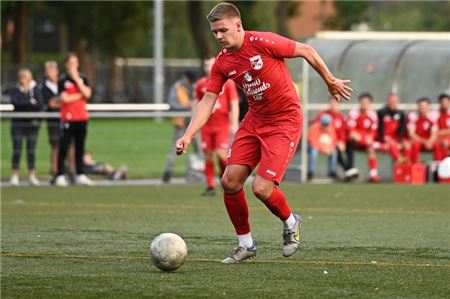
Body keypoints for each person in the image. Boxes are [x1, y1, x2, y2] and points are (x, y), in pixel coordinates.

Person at [175, 3, 352, 264]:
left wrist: (329, 79)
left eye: (223, 30)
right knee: (230, 181)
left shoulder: (264, 41)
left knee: (261, 188)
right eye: (214, 32)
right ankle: (246, 244)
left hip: (284, 122)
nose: (219, 37)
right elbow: (208, 100)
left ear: (238, 25)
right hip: (255, 121)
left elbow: (306, 50)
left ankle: (291, 222)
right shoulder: (223, 62)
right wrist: (188, 135)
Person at [195, 56, 240, 196]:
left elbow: (233, 103)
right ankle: (210, 186)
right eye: (206, 65)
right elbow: (197, 105)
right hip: (206, 126)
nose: (208, 67)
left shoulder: (228, 83)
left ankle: (225, 178)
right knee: (208, 155)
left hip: (222, 125)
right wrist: (194, 124)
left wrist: (234, 123)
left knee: (221, 155)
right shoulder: (200, 84)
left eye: (211, 64)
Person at [54, 53, 94, 186]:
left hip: (81, 117)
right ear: (66, 64)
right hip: (68, 118)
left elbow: (88, 94)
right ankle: (60, 174)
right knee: (64, 146)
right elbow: (64, 98)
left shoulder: (83, 78)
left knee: (80, 147)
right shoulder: (62, 80)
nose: (72, 65)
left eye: (75, 63)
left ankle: (80, 174)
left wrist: (77, 81)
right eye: (70, 63)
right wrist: (80, 95)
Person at [9, 68, 43, 186]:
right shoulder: (15, 89)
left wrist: (27, 102)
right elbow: (16, 103)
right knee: (17, 150)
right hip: (18, 124)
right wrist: (29, 102)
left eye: (25, 77)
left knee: (31, 150)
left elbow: (40, 104)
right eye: (21, 77)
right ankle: (14, 175)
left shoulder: (36, 89)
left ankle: (32, 175)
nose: (23, 79)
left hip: (32, 124)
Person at [162, 71, 197, 183]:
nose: (190, 83)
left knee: (200, 148)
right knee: (175, 148)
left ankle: (201, 172)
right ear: (184, 78)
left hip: (194, 123)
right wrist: (185, 107)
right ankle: (167, 174)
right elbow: (171, 103)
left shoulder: (196, 86)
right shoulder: (177, 87)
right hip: (181, 123)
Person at [313, 99, 358, 180]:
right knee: (336, 149)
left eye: (336, 104)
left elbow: (342, 131)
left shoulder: (340, 116)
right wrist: (335, 142)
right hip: (327, 141)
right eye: (332, 103)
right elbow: (316, 129)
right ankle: (347, 170)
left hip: (337, 141)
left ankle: (350, 169)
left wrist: (342, 141)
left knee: (350, 145)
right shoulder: (323, 115)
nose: (334, 105)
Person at [346, 93, 380, 182]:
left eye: (366, 102)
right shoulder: (353, 113)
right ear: (359, 103)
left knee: (371, 149)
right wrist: (362, 137)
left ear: (370, 103)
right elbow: (351, 131)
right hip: (355, 142)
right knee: (351, 139)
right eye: (362, 102)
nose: (364, 104)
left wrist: (369, 137)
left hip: (365, 142)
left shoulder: (373, 115)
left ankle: (373, 175)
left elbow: (373, 132)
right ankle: (350, 171)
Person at [375, 93, 408, 163]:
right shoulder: (380, 113)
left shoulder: (401, 114)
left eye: (395, 102)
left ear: (398, 103)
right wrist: (386, 140)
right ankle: (400, 161)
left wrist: (398, 140)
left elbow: (402, 131)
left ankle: (409, 165)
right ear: (388, 102)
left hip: (395, 140)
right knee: (392, 145)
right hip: (383, 141)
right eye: (391, 101)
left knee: (407, 145)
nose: (393, 103)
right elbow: (379, 130)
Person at [407, 97, 438, 163]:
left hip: (429, 141)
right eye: (421, 106)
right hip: (418, 140)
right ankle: (415, 165)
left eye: (425, 106)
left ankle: (439, 166)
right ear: (418, 107)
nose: (423, 109)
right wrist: (424, 141)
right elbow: (411, 134)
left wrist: (430, 141)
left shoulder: (433, 116)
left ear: (428, 107)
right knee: (414, 145)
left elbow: (434, 134)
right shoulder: (413, 116)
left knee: (438, 145)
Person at [307, 114, 337, 180]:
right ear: (321, 123)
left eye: (327, 124)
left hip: (326, 148)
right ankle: (310, 172)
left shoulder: (330, 128)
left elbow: (334, 141)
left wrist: (329, 148)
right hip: (314, 147)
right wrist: (322, 148)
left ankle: (332, 172)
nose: (326, 126)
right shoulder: (315, 127)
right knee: (313, 152)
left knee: (334, 152)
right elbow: (312, 141)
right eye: (324, 124)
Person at [434, 93, 450, 161]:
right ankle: (440, 165)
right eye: (442, 102)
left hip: (448, 137)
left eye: (446, 102)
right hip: (438, 138)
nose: (444, 104)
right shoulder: (435, 114)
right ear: (440, 103)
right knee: (439, 144)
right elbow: (433, 131)